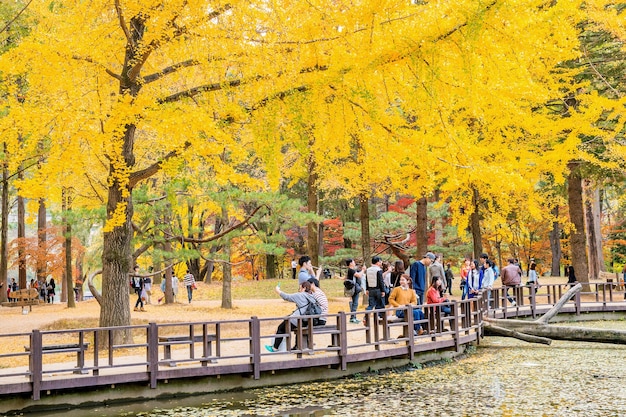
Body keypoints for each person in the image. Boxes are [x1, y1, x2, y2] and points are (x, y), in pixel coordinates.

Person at [265, 281, 318, 352]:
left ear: (304, 288)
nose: (299, 290)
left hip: (297, 320)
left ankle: (275, 348)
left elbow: (287, 297)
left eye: (300, 288)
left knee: (281, 328)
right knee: (287, 327)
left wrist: (278, 290)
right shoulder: (312, 296)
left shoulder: (301, 295)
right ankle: (295, 347)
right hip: (306, 321)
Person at [345, 259, 365, 323]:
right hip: (354, 288)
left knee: (354, 302)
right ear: (350, 263)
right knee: (355, 303)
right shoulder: (351, 270)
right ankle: (353, 317)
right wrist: (363, 270)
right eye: (353, 262)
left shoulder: (350, 270)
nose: (354, 263)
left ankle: (353, 316)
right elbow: (359, 275)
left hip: (351, 288)